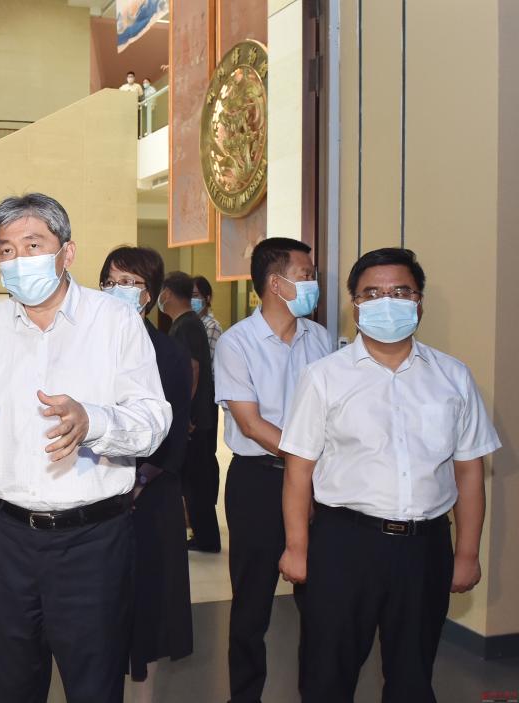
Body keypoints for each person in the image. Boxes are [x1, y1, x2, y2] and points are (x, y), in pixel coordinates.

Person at [0, 193, 172, 703]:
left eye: (33, 244)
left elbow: (154, 420)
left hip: (92, 541)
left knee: (94, 685)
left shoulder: (115, 322)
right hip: (8, 539)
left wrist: (93, 421)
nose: (18, 259)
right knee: (8, 685)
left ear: (67, 252)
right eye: (6, 249)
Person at [279, 248, 500, 702]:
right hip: (345, 545)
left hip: (425, 547)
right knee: (327, 674)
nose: (387, 302)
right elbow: (299, 471)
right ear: (355, 305)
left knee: (413, 677)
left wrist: (467, 553)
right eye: (373, 293)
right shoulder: (323, 377)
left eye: (401, 292)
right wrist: (297, 548)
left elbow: (469, 471)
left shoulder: (454, 377)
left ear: (419, 302)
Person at [213, 236, 332, 703]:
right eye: (306, 275)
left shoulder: (320, 339)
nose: (313, 283)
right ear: (276, 283)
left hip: (317, 482)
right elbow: (251, 423)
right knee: (251, 605)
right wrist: (305, 456)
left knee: (320, 604)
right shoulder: (236, 343)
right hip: (259, 480)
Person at [99, 247, 193, 702]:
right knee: (99, 613)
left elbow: (174, 433)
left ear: (150, 294)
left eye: (130, 283)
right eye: (111, 282)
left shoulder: (168, 352)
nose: (118, 290)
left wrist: (136, 483)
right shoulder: (87, 346)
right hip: (95, 497)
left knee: (148, 610)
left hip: (149, 498)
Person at [160, 271, 221, 553]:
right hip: (197, 415)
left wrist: (184, 413)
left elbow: (192, 369)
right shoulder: (187, 323)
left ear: (167, 293)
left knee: (196, 482)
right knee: (195, 480)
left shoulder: (186, 325)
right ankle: (203, 535)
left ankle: (206, 538)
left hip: (194, 419)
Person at [193, 274, 223, 365]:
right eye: (189, 296)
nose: (191, 300)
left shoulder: (212, 326)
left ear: (207, 298)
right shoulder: (191, 324)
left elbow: (207, 361)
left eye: (195, 295)